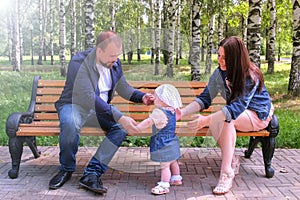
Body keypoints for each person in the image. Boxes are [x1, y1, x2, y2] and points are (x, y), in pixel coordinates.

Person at [49, 31, 155, 194]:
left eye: (117, 55)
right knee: (70, 123)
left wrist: (142, 97)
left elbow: (124, 88)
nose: (116, 60)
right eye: (112, 55)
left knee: (120, 129)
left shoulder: (115, 64)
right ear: (99, 51)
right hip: (74, 105)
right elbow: (87, 97)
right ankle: (66, 169)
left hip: (99, 110)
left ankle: (92, 173)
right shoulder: (79, 62)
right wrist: (120, 117)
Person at [179, 36, 274, 195]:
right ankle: (231, 161)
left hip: (258, 115)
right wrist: (182, 112)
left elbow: (237, 108)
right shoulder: (219, 73)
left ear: (236, 59)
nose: (221, 61)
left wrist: (206, 120)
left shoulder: (250, 75)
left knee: (225, 118)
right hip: (238, 113)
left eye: (225, 58)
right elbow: (205, 98)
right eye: (219, 56)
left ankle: (226, 172)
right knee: (221, 118)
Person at [136, 84, 183, 195]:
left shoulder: (159, 112)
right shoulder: (173, 110)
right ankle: (176, 178)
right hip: (172, 139)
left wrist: (137, 128)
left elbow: (148, 121)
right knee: (173, 160)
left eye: (156, 97)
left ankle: (164, 184)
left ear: (163, 99)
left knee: (165, 165)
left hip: (163, 142)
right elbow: (178, 116)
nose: (153, 99)